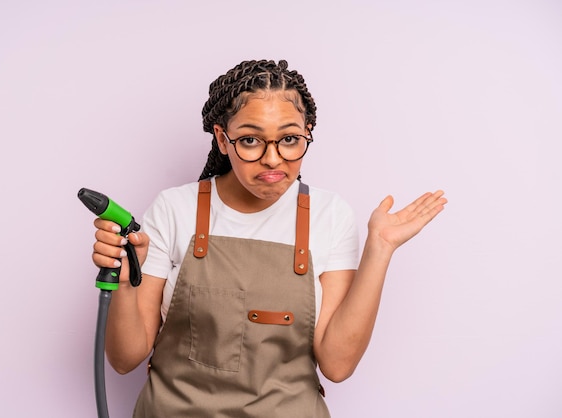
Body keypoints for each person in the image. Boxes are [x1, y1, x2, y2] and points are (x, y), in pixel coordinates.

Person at [91, 59, 447, 417]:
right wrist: (123, 283)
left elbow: (337, 365)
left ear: (307, 132)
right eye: (250, 140)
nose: (273, 160)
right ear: (222, 139)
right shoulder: (174, 209)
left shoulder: (329, 215)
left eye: (290, 139)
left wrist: (380, 249)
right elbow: (124, 359)